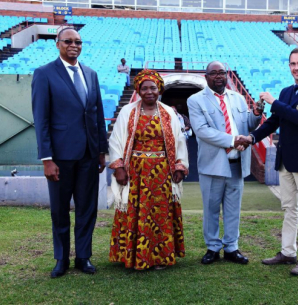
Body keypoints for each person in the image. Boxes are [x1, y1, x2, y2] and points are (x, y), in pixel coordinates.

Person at [240, 47, 298, 276]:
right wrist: (251, 138)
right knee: (288, 207)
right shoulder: (287, 91)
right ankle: (287, 252)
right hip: (285, 160)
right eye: (292, 64)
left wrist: (274, 102)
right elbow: (274, 123)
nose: (296, 67)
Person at [31, 28, 108, 278]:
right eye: (68, 41)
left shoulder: (91, 74)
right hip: (60, 157)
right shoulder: (44, 74)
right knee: (60, 210)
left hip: (88, 155)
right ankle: (61, 259)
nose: (73, 45)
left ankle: (83, 257)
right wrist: (47, 158)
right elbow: (41, 119)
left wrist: (100, 150)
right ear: (57, 44)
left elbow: (96, 115)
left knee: (87, 208)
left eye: (78, 42)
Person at [108, 70, 189, 270]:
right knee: (135, 212)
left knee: (160, 214)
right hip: (135, 171)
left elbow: (179, 140)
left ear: (159, 89)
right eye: (144, 88)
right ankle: (133, 255)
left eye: (153, 87)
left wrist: (179, 166)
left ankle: (160, 257)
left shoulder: (169, 113)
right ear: (138, 90)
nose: (149, 92)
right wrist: (119, 167)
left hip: (162, 173)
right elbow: (116, 140)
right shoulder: (128, 111)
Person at [187, 61, 262, 265]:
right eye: (214, 73)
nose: (219, 76)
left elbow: (247, 124)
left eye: (222, 72)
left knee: (233, 209)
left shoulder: (238, 98)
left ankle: (231, 247)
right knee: (211, 208)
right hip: (212, 165)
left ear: (227, 76)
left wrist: (255, 115)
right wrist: (232, 140)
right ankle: (212, 247)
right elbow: (202, 130)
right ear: (206, 77)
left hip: (236, 163)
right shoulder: (195, 100)